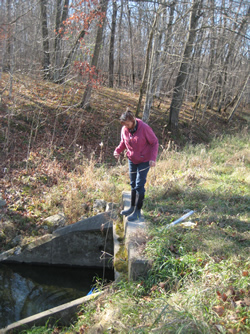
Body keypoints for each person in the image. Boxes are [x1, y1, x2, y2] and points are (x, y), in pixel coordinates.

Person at [114, 109, 159, 222]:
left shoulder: (144, 128)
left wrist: (153, 159)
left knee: (139, 185)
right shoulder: (125, 129)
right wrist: (118, 151)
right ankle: (132, 208)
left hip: (145, 160)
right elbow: (124, 142)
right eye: (124, 125)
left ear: (133, 120)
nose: (126, 127)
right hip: (132, 159)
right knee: (133, 183)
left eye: (128, 124)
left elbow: (154, 142)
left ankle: (138, 211)